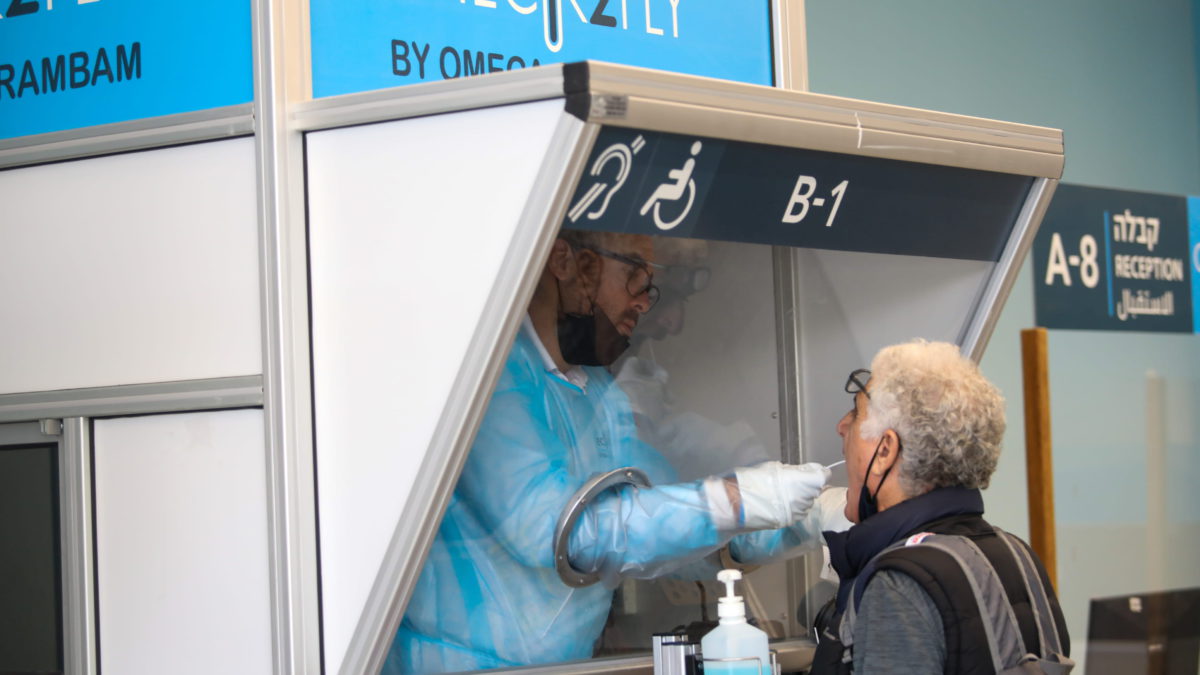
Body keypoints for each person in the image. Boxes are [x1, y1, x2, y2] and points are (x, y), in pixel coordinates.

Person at [387, 229, 845, 675]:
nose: (646, 300)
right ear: (565, 261)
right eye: (636, 278)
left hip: (567, 667)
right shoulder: (489, 381)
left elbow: (658, 528)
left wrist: (809, 519)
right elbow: (559, 534)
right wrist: (735, 500)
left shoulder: (597, 393)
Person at [811, 340, 1072, 674]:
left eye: (856, 413)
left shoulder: (899, 584)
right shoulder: (1017, 555)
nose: (841, 426)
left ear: (886, 451)